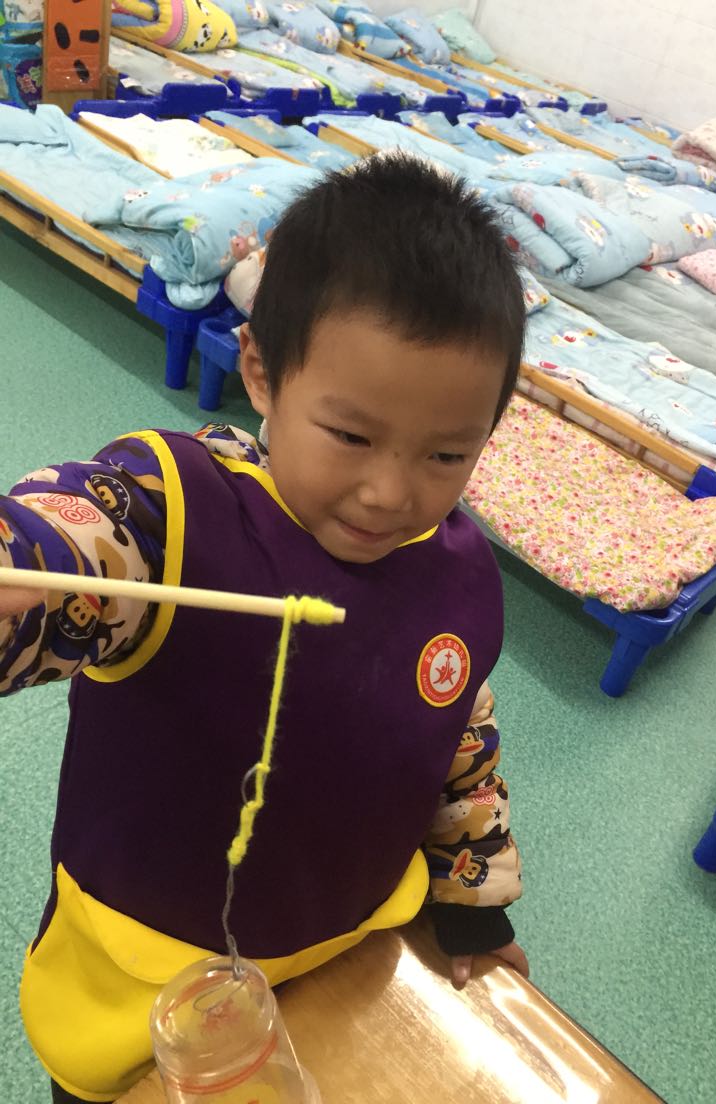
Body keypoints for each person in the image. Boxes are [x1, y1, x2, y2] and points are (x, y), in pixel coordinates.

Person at [0, 153, 528, 1104]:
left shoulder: (456, 569)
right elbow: (80, 536)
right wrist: (21, 554)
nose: (391, 492)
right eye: (352, 436)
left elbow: (458, 743)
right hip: (145, 991)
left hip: (357, 949)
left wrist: (474, 907)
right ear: (262, 372)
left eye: (448, 454)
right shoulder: (174, 510)